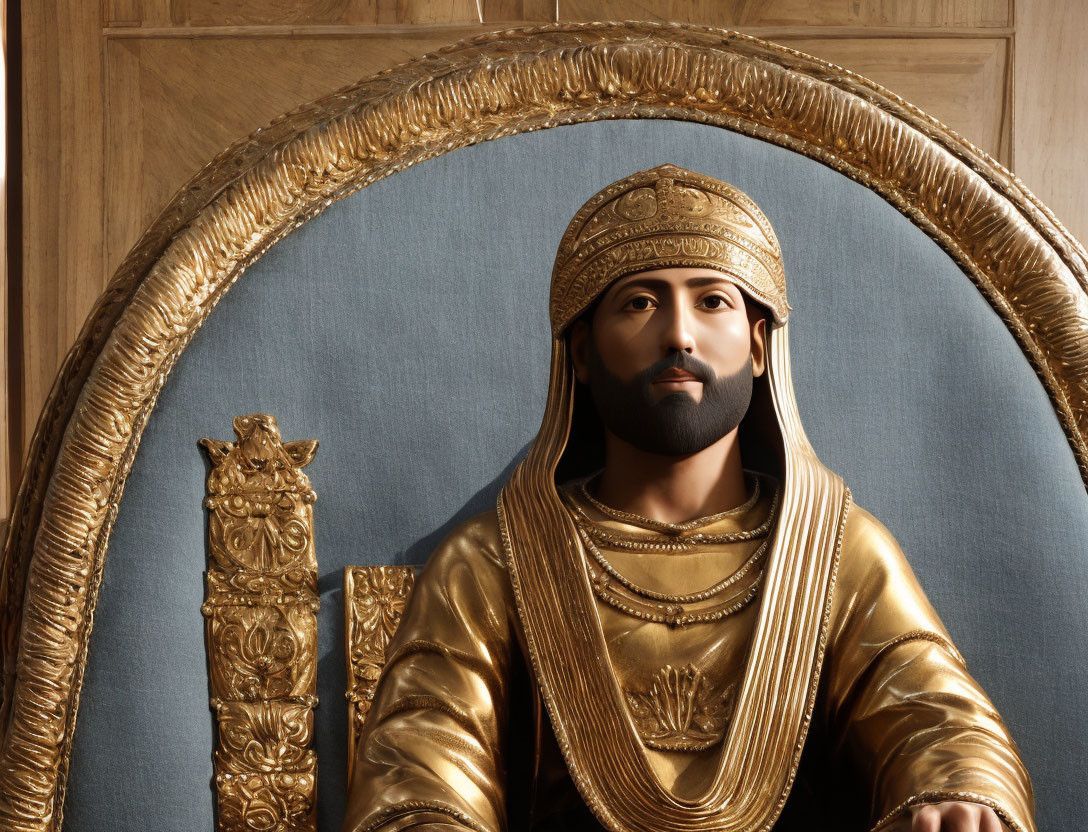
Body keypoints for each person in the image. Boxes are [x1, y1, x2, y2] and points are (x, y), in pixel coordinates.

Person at [341, 164, 1034, 832]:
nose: (678, 334)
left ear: (759, 345)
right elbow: (426, 746)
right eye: (640, 303)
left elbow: (934, 713)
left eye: (712, 301)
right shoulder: (491, 561)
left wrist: (957, 787)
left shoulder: (837, 552)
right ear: (580, 353)